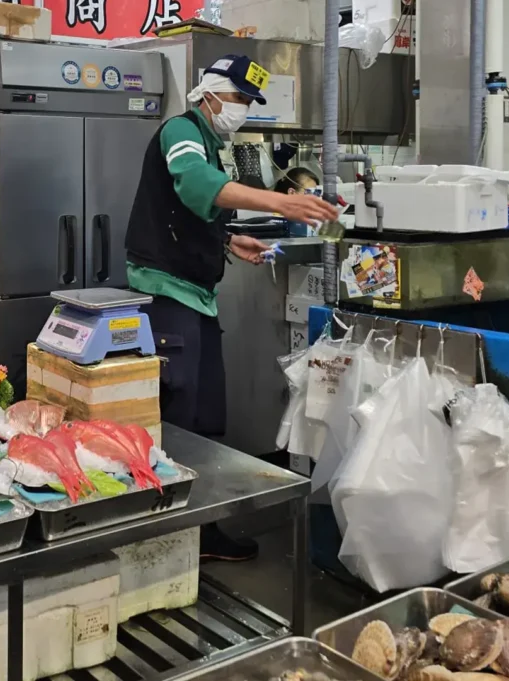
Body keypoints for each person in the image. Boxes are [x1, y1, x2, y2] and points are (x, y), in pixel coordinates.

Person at [125, 54, 337, 562]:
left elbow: (194, 214)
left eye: (248, 101)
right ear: (213, 92)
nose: (241, 109)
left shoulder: (211, 141)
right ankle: (164, 542)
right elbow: (193, 184)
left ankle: (201, 533)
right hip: (166, 293)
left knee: (203, 419)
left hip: (195, 294)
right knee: (177, 419)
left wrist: (229, 240)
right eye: (240, 98)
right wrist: (282, 203)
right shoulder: (181, 129)